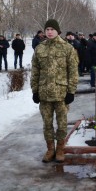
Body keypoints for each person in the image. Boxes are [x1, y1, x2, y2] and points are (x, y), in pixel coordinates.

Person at [31, 19, 79, 163]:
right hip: (44, 94)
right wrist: (35, 91)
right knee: (47, 124)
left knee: (62, 124)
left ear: (58, 31)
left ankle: (60, 149)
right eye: (47, 29)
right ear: (44, 32)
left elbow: (73, 71)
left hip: (61, 94)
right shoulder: (39, 49)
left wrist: (71, 91)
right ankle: (50, 149)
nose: (50, 32)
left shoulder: (67, 48)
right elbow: (35, 72)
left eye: (52, 29)